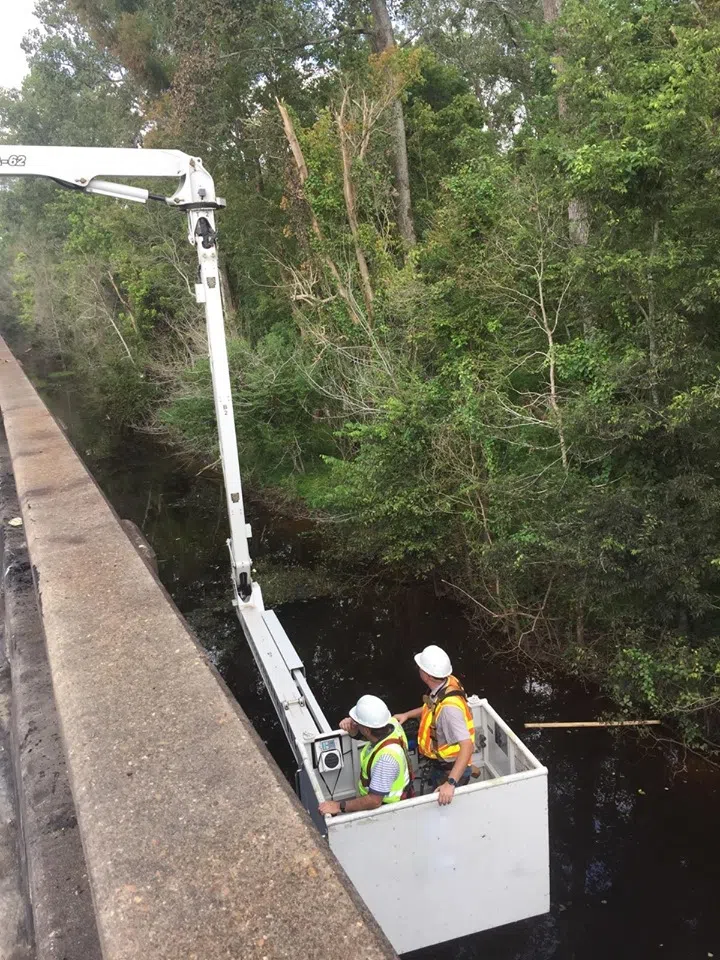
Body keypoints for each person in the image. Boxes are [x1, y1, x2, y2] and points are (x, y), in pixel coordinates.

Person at [394, 645, 475, 806]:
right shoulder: (447, 683)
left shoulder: (449, 710)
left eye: (421, 667)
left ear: (427, 676)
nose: (419, 669)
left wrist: (450, 783)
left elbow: (467, 746)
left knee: (440, 808)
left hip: (451, 769)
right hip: (442, 764)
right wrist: (407, 715)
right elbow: (431, 707)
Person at [318, 695, 410, 817]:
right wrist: (353, 730)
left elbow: (374, 801)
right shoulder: (392, 723)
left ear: (366, 730)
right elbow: (373, 737)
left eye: (357, 723)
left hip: (388, 812)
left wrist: (339, 806)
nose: (354, 723)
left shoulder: (386, 760)